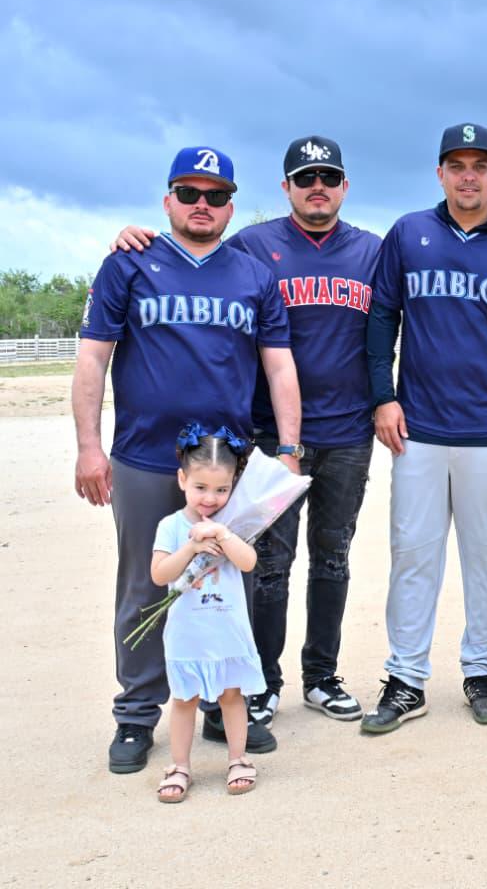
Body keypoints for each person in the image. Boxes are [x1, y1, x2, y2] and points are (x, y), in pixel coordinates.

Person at [113, 136, 381, 730]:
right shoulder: (254, 246)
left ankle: (322, 676)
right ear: (285, 187)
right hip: (265, 436)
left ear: (343, 186)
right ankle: (260, 683)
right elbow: (193, 256)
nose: (318, 187)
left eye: (329, 177)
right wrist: (133, 238)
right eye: (305, 177)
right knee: (266, 564)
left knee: (332, 557)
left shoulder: (372, 251)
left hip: (347, 431)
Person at [74, 146, 301, 774]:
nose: (204, 205)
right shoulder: (130, 262)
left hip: (222, 464)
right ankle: (137, 713)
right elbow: (93, 357)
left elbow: (278, 365)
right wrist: (89, 447)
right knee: (146, 582)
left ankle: (219, 702)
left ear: (231, 203)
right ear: (168, 198)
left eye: (218, 195)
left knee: (228, 580)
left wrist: (287, 449)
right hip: (146, 455)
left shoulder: (252, 273)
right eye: (190, 192)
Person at [361, 123, 487, 732]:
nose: (468, 175)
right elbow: (381, 320)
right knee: (413, 557)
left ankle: (482, 672)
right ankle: (406, 678)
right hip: (418, 429)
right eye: (456, 165)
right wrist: (384, 398)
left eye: (479, 165)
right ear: (440, 172)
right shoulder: (409, 233)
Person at [152, 425, 265, 802]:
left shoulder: (232, 526)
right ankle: (180, 765)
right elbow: (160, 574)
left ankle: (238, 758)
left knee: (232, 696)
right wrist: (191, 546)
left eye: (222, 489)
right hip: (188, 631)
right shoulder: (171, 526)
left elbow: (248, 564)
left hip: (226, 628)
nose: (210, 498)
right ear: (182, 478)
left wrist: (223, 535)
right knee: (184, 700)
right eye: (200, 487)